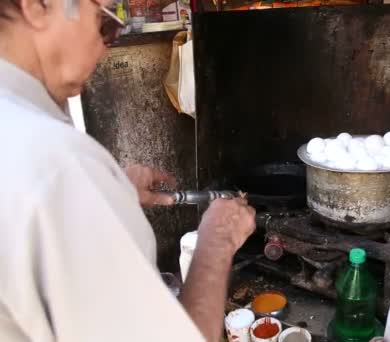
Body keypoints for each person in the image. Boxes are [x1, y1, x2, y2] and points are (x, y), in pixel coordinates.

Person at [0, 1, 256, 341]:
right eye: (105, 24)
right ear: (37, 6)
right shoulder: (59, 163)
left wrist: (107, 195)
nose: (107, 46)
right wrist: (216, 241)